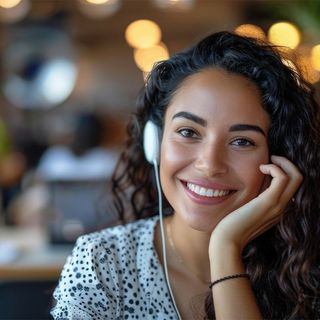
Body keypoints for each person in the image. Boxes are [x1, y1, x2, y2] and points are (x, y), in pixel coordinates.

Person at [51, 31, 320, 319]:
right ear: (155, 142)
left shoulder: (305, 271)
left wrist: (225, 249)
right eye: (188, 132)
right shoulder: (102, 261)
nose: (209, 164)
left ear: (278, 158)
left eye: (242, 141)